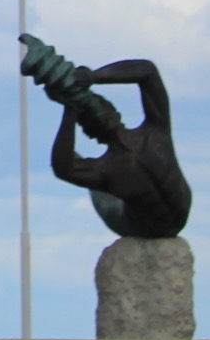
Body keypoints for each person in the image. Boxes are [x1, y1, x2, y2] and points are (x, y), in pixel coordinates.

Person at [24, 38, 194, 239]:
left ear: (113, 109)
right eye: (90, 117)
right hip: (141, 227)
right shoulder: (106, 169)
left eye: (100, 107)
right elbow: (63, 168)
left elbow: (147, 71)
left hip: (178, 217)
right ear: (89, 131)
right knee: (105, 199)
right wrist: (70, 113)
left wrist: (94, 77)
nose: (99, 115)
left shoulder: (155, 132)